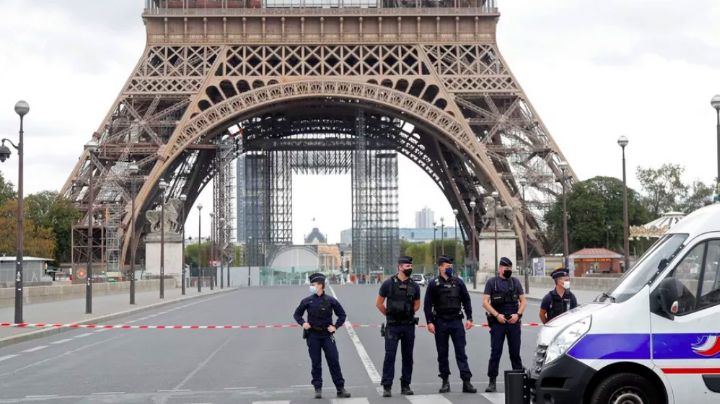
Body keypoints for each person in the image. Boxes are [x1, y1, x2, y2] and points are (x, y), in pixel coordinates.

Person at [424, 255, 477, 394]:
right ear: (440, 267)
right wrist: (429, 322)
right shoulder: (433, 284)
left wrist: (470, 318)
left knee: (461, 352)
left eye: (450, 266)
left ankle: (466, 381)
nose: (449, 268)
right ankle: (445, 381)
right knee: (442, 354)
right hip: (440, 322)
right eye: (447, 266)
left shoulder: (458, 282)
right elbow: (427, 305)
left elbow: (466, 300)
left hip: (456, 321)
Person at [293, 273, 351, 399]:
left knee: (334, 361)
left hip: (327, 335)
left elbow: (342, 315)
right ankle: (318, 388)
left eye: (313, 285)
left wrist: (335, 326)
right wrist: (303, 323)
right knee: (316, 362)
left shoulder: (330, 300)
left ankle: (340, 388)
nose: (311, 287)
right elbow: (297, 315)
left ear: (320, 285)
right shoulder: (307, 301)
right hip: (313, 335)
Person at [376, 256, 421, 397]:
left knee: (408, 357)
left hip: (408, 325)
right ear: (400, 267)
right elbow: (379, 303)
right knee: (390, 356)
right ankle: (387, 386)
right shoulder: (388, 284)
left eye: (410, 266)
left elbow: (417, 304)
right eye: (407, 266)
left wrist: (407, 313)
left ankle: (406, 385)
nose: (410, 268)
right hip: (393, 326)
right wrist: (389, 315)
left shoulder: (414, 285)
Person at [482, 257, 527, 393]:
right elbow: (485, 302)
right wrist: (497, 315)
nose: (508, 271)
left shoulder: (515, 282)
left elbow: (523, 301)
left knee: (515, 353)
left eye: (510, 269)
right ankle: (492, 381)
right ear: (500, 268)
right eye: (506, 268)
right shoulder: (492, 283)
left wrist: (517, 315)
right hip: (498, 322)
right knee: (495, 352)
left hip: (513, 322)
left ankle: (519, 381)